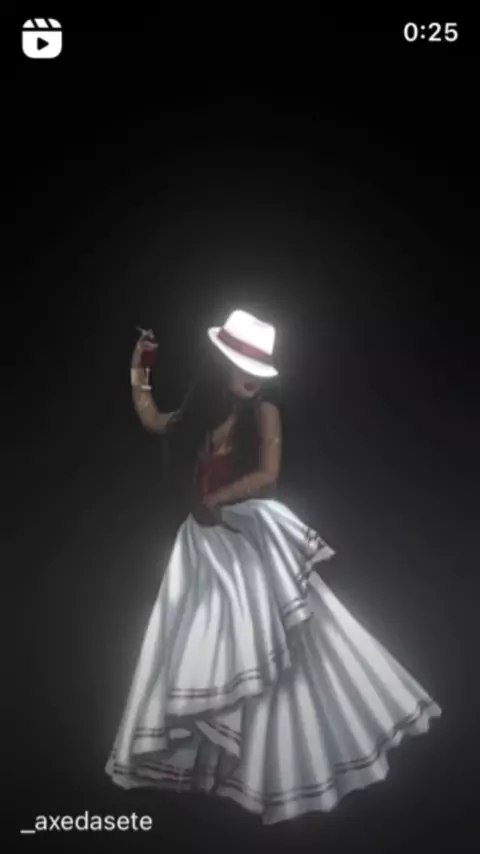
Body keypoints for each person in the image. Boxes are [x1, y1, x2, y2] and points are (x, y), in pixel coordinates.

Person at [105, 309, 441, 825]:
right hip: (199, 546)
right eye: (243, 366)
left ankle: (278, 766)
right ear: (221, 366)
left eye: (258, 368)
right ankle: (212, 768)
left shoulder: (265, 413)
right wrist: (141, 364)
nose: (252, 376)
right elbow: (150, 417)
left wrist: (219, 497)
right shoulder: (197, 414)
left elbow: (268, 475)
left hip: (246, 538)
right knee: (202, 650)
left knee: (268, 651)